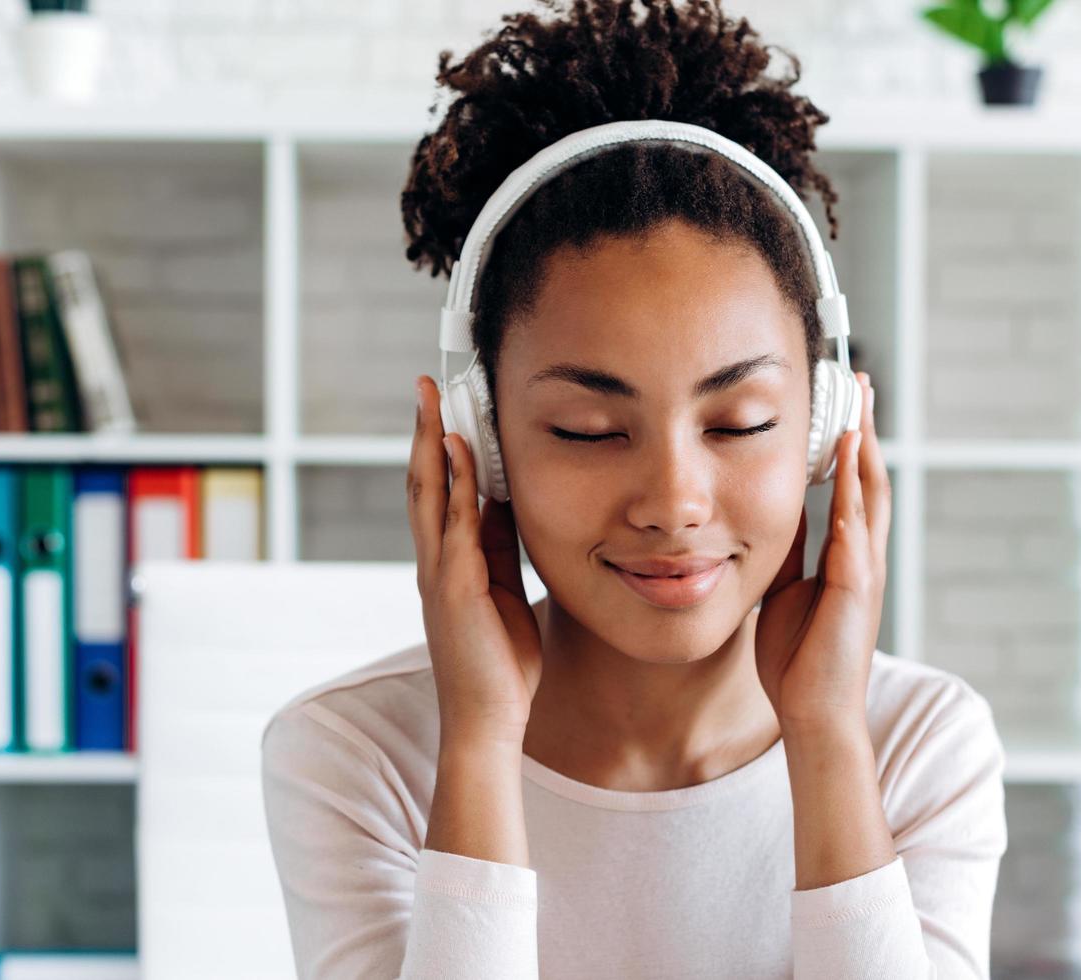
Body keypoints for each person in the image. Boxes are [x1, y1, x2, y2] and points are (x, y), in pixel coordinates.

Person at [261, 1, 1007, 976]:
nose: (672, 499)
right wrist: (480, 742)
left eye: (737, 423)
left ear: (828, 428)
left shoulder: (919, 744)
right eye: (587, 429)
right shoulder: (352, 753)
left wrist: (825, 737)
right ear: (479, 439)